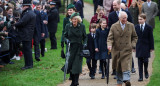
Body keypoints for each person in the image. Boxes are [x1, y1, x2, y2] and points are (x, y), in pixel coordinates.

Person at [107, 11, 138, 86]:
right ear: (119, 18)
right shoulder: (114, 26)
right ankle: (120, 83)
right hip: (117, 51)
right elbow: (110, 38)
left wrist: (132, 45)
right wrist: (109, 45)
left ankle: (127, 80)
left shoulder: (131, 25)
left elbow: (135, 37)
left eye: (126, 18)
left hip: (127, 50)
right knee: (119, 69)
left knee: (126, 66)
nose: (125, 19)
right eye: (123, 18)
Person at [108, 0, 132, 76]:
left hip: (125, 39)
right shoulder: (111, 15)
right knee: (116, 56)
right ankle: (116, 70)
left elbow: (131, 24)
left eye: (115, 5)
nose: (113, 7)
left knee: (127, 55)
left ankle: (130, 68)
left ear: (119, 5)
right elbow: (110, 28)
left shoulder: (127, 13)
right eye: (113, 5)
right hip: (116, 40)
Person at [64, 12, 87, 86]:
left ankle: (76, 81)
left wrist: (85, 43)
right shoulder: (68, 26)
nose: (74, 21)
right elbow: (65, 35)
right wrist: (66, 40)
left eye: (75, 19)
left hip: (78, 47)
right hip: (71, 47)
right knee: (70, 64)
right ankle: (73, 81)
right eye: (73, 19)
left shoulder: (82, 26)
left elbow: (85, 37)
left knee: (76, 65)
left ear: (78, 19)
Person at [15, 0, 36, 70]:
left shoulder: (28, 13)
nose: (22, 7)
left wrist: (15, 24)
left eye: (23, 6)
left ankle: (28, 64)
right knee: (27, 49)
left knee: (27, 50)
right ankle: (28, 64)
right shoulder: (29, 13)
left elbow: (22, 22)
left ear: (26, 6)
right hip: (28, 33)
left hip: (26, 33)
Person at [135, 14, 154, 81]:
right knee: (140, 62)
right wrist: (134, 46)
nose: (139, 21)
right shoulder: (136, 27)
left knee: (145, 61)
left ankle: (146, 71)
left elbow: (151, 38)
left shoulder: (149, 27)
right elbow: (134, 38)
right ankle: (140, 76)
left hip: (146, 46)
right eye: (139, 19)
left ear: (144, 19)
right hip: (139, 46)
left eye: (141, 19)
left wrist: (152, 47)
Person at [61, 3, 76, 80]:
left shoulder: (78, 18)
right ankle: (70, 73)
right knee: (68, 57)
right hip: (68, 41)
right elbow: (63, 31)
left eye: (71, 10)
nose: (69, 11)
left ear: (74, 10)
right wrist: (62, 40)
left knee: (75, 58)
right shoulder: (65, 19)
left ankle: (75, 73)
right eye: (69, 10)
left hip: (76, 41)